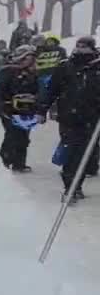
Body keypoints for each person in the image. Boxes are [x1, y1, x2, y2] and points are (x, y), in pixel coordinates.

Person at [38, 37, 100, 203]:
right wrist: (42, 110)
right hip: (69, 118)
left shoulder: (97, 68)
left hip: (92, 119)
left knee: (85, 153)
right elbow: (51, 90)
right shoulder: (65, 67)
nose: (80, 50)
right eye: (78, 46)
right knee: (71, 152)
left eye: (84, 47)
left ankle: (77, 183)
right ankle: (70, 187)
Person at [0, 45, 39, 172]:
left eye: (32, 58)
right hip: (10, 108)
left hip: (27, 109)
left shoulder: (33, 73)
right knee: (12, 135)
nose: (30, 61)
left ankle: (19, 163)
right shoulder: (7, 71)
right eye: (28, 58)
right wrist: (0, 106)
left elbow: (37, 90)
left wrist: (36, 103)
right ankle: (6, 158)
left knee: (24, 136)